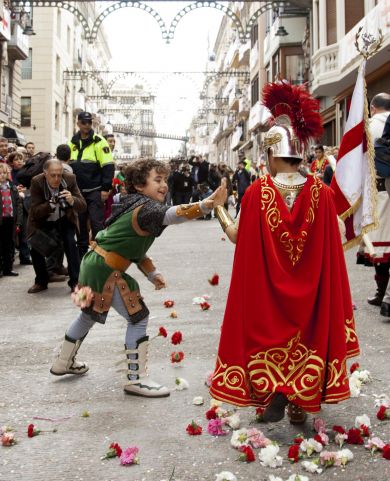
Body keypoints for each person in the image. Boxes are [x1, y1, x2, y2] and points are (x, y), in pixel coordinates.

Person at [210, 80, 359, 424]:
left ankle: (278, 391)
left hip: (268, 296)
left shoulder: (256, 193)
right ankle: (299, 400)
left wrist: (219, 208)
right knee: (309, 336)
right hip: (311, 295)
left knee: (271, 337)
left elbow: (235, 236)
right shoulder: (321, 193)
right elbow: (333, 242)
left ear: (271, 156)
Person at [49, 159, 226, 399]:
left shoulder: (133, 204)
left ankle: (63, 362)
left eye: (164, 180)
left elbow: (131, 247)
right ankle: (136, 379)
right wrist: (206, 205)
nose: (164, 185)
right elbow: (174, 214)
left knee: (87, 314)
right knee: (138, 317)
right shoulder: (148, 208)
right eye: (158, 180)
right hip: (104, 269)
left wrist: (152, 273)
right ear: (140, 186)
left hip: (92, 265)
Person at [27, 159, 86, 293]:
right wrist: (51, 204)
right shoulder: (37, 182)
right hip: (43, 219)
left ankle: (75, 282)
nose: (57, 178)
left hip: (64, 218)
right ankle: (41, 281)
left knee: (71, 245)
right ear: (45, 174)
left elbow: (82, 206)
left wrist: (72, 200)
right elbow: (34, 211)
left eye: (59, 175)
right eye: (53, 175)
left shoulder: (70, 179)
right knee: (35, 247)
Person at [69, 111, 114, 259]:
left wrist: (106, 188)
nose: (87, 125)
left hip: (95, 191)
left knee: (96, 224)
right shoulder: (72, 143)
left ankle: (98, 257)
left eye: (89, 122)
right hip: (78, 193)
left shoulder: (99, 141)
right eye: (84, 122)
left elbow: (108, 166)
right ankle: (82, 259)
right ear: (78, 123)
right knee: (80, 226)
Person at [361, 93, 390, 309]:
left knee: (380, 248)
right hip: (382, 191)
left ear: (373, 108)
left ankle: (383, 294)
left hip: (379, 193)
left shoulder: (369, 127)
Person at [7, 152, 32, 266]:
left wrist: (25, 189)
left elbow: (31, 187)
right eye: (16, 159)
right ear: (11, 162)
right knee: (14, 232)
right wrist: (16, 189)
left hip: (25, 205)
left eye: (21, 159)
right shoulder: (9, 174)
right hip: (15, 205)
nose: (20, 161)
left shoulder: (27, 174)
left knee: (24, 233)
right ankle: (10, 258)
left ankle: (25, 256)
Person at [0, 163, 22, 277]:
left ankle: (8, 268)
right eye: (0, 173)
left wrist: (18, 220)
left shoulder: (12, 187)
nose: (2, 175)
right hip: (1, 219)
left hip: (10, 220)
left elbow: (18, 203)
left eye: (4, 173)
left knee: (9, 245)